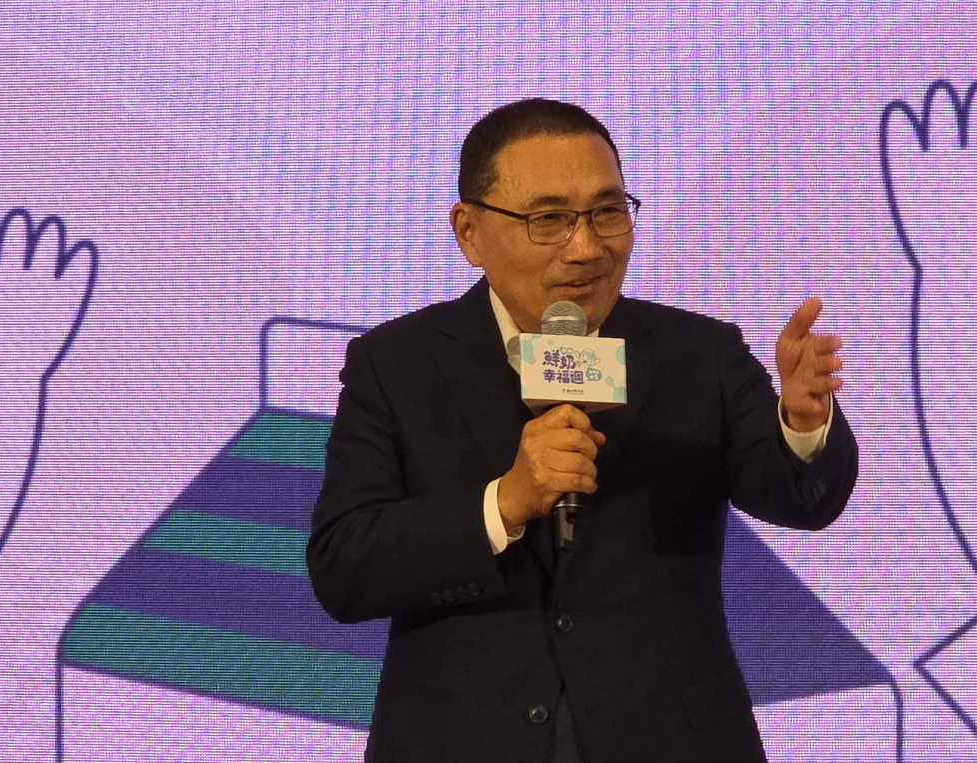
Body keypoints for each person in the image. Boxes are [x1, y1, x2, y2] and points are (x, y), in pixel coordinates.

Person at [307, 98, 858, 763]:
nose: (587, 246)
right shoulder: (396, 364)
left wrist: (801, 421)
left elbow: (800, 496)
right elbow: (344, 568)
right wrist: (504, 502)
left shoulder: (698, 353)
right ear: (469, 232)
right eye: (549, 219)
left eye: (608, 211)